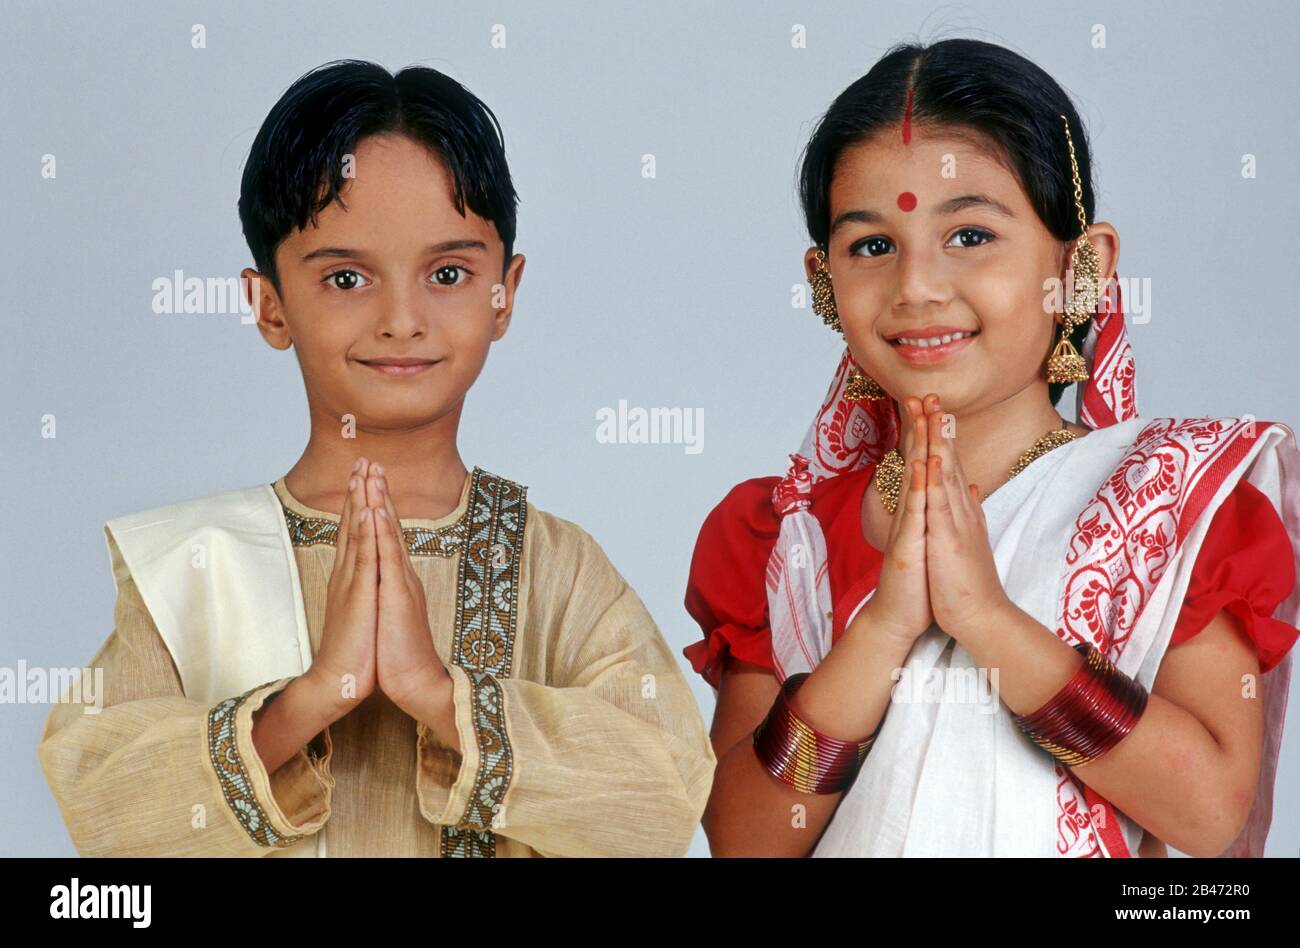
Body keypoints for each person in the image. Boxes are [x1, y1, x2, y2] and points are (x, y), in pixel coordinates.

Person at [38, 59, 715, 858]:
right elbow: (104, 799)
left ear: (506, 292)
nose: (402, 318)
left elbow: (666, 793)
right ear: (269, 304)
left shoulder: (556, 568)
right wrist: (314, 698)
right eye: (348, 277)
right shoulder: (191, 566)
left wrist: (437, 695)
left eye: (450, 273)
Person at [683, 38, 1299, 858]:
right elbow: (746, 843)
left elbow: (1209, 813)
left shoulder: (1168, 512)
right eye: (872, 246)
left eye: (970, 235)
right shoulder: (778, 535)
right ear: (823, 283)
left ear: (1080, 269)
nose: (917, 287)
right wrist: (882, 632)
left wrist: (989, 621)